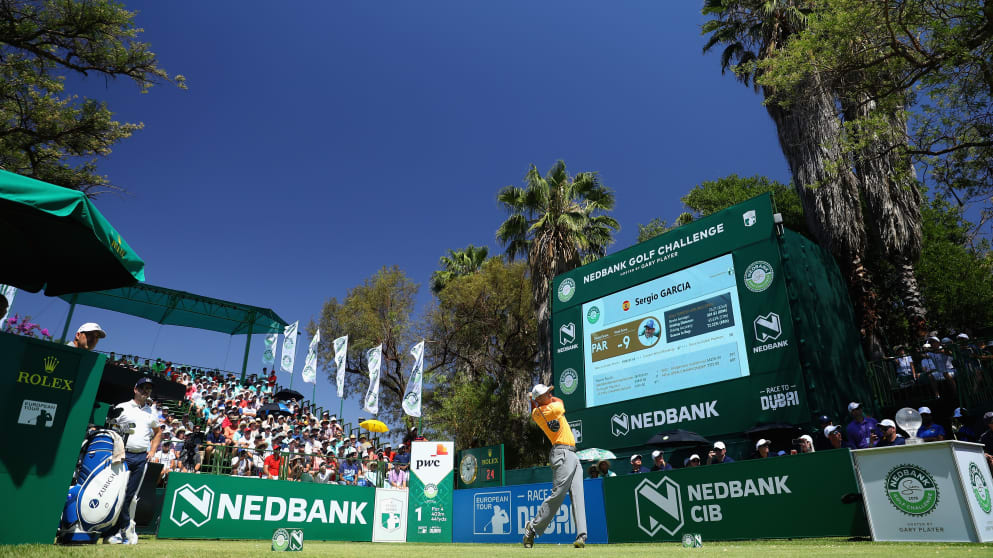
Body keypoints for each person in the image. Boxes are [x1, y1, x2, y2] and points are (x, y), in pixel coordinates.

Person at [522, 383, 587, 549]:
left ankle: (581, 536)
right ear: (540, 399)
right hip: (562, 454)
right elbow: (561, 401)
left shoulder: (537, 413)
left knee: (578, 494)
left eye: (549, 392)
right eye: (547, 394)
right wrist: (540, 398)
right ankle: (533, 528)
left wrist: (534, 400)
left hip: (571, 453)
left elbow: (534, 410)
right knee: (558, 495)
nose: (550, 395)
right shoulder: (553, 409)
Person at [107, 377, 161, 545]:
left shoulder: (151, 412)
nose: (146, 391)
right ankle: (119, 531)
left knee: (130, 496)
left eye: (149, 389)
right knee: (116, 493)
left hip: (140, 457)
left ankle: (121, 532)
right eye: (143, 388)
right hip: (122, 455)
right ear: (135, 389)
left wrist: (152, 451)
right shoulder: (122, 407)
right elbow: (110, 428)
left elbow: (158, 432)